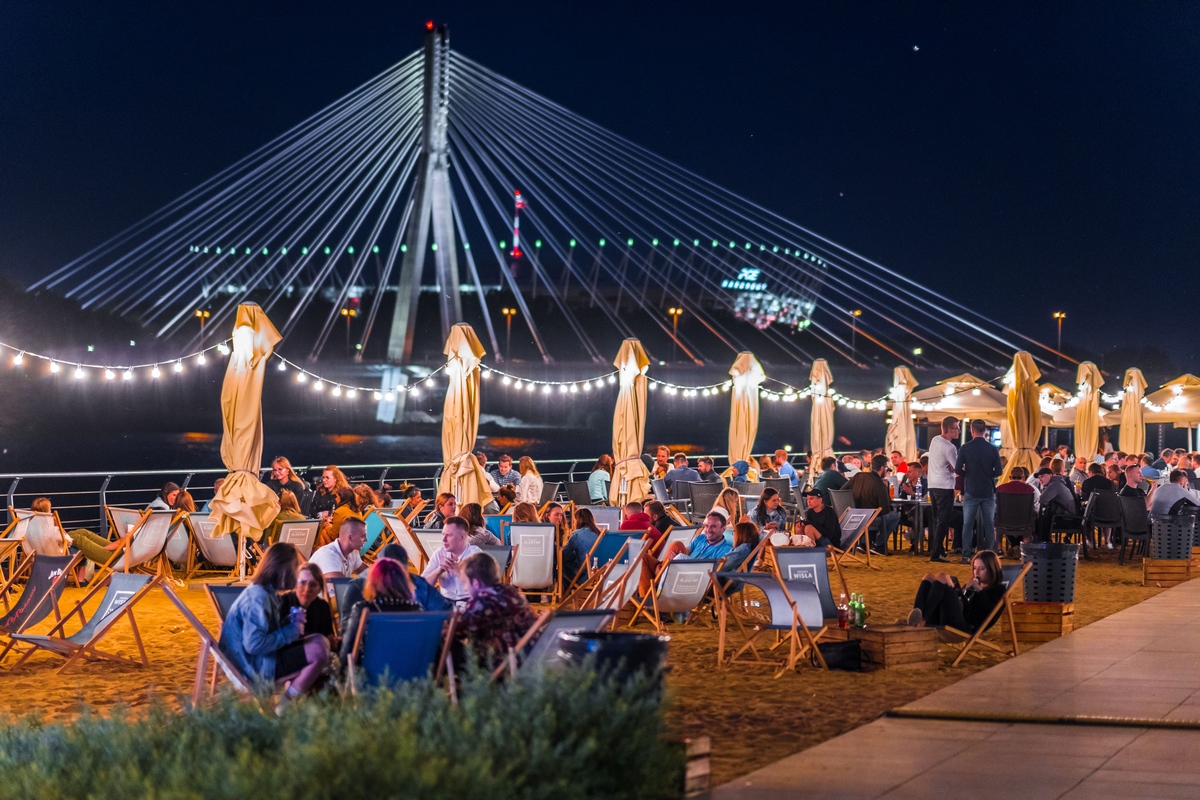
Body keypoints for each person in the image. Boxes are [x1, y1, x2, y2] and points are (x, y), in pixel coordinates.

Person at [218, 543, 330, 707]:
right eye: (295, 567)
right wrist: (290, 631)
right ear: (284, 570)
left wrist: (289, 625)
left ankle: (293, 703)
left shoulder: (266, 593)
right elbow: (254, 644)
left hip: (256, 659)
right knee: (318, 651)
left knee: (320, 641)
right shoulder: (258, 597)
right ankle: (284, 708)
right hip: (251, 667)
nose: (297, 572)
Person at [338, 543, 451, 632]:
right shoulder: (417, 590)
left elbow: (348, 635)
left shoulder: (357, 589)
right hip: (417, 654)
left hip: (372, 656)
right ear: (405, 569)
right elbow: (447, 614)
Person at [458, 552, 537, 663]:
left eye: (464, 583)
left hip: (505, 665)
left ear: (476, 583)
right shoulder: (509, 591)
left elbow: (456, 630)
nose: (465, 589)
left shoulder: (481, 602)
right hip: (532, 657)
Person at [339, 559, 423, 664]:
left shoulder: (363, 609)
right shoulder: (415, 610)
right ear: (402, 582)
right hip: (410, 673)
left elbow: (347, 648)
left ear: (372, 583)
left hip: (372, 673)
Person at [906, 550, 1005, 634]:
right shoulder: (972, 585)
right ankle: (917, 617)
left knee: (943, 577)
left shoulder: (998, 589)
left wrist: (979, 590)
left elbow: (988, 610)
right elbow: (961, 602)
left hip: (966, 625)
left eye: (982, 569)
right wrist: (962, 590)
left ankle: (922, 621)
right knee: (929, 577)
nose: (976, 572)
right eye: (975, 568)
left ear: (992, 570)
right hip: (950, 615)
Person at [640, 512, 734, 592]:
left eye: (713, 527)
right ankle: (651, 598)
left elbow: (710, 572)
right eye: (706, 526)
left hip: (691, 579)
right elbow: (686, 551)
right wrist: (673, 559)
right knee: (642, 557)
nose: (709, 530)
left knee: (678, 555)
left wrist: (676, 561)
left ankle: (661, 572)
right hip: (676, 570)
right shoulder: (700, 538)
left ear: (723, 529)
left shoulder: (725, 549)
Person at [954, 419, 1002, 562]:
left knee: (967, 524)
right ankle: (990, 554)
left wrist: (968, 474)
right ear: (985, 431)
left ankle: (966, 554)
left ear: (972, 430)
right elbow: (999, 471)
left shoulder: (965, 448)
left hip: (972, 490)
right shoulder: (993, 449)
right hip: (987, 490)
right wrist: (988, 475)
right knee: (988, 524)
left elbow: (957, 469)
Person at [848, 454, 899, 556]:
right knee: (895, 516)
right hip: (870, 521)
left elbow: (842, 491)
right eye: (887, 468)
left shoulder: (858, 476)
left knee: (875, 514)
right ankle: (878, 545)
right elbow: (884, 509)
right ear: (882, 468)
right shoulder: (880, 484)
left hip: (854, 518)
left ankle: (864, 543)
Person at [421, 516, 482, 602]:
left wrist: (459, 573)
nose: (443, 540)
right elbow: (421, 587)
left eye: (449, 535)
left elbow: (482, 589)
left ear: (462, 537)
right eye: (443, 534)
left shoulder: (475, 555)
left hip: (470, 603)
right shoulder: (439, 554)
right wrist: (438, 571)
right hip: (445, 604)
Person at [927, 416, 959, 563]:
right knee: (943, 520)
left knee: (935, 519)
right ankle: (936, 553)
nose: (958, 431)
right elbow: (959, 469)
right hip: (945, 485)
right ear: (949, 429)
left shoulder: (935, 440)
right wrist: (956, 468)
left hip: (932, 484)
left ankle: (936, 550)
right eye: (956, 428)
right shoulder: (950, 447)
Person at [281, 562, 335, 644]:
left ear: (319, 589)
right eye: (302, 583)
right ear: (295, 584)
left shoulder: (323, 607)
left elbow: (328, 637)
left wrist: (333, 643)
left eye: (313, 585)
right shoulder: (282, 603)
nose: (307, 589)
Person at [561, 508, 604, 585]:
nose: (573, 524)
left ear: (578, 520)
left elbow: (564, 555)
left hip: (587, 576)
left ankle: (569, 592)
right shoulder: (600, 534)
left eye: (574, 521)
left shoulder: (577, 534)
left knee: (562, 563)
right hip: (603, 574)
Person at [1035, 468, 1077, 541]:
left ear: (1050, 475)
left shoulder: (1054, 485)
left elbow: (1041, 500)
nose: (1040, 480)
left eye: (1042, 476)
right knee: (1041, 520)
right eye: (1039, 478)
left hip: (1066, 520)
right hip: (1068, 517)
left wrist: (1042, 488)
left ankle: (1044, 543)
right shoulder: (1056, 483)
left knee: (1038, 522)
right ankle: (1045, 542)